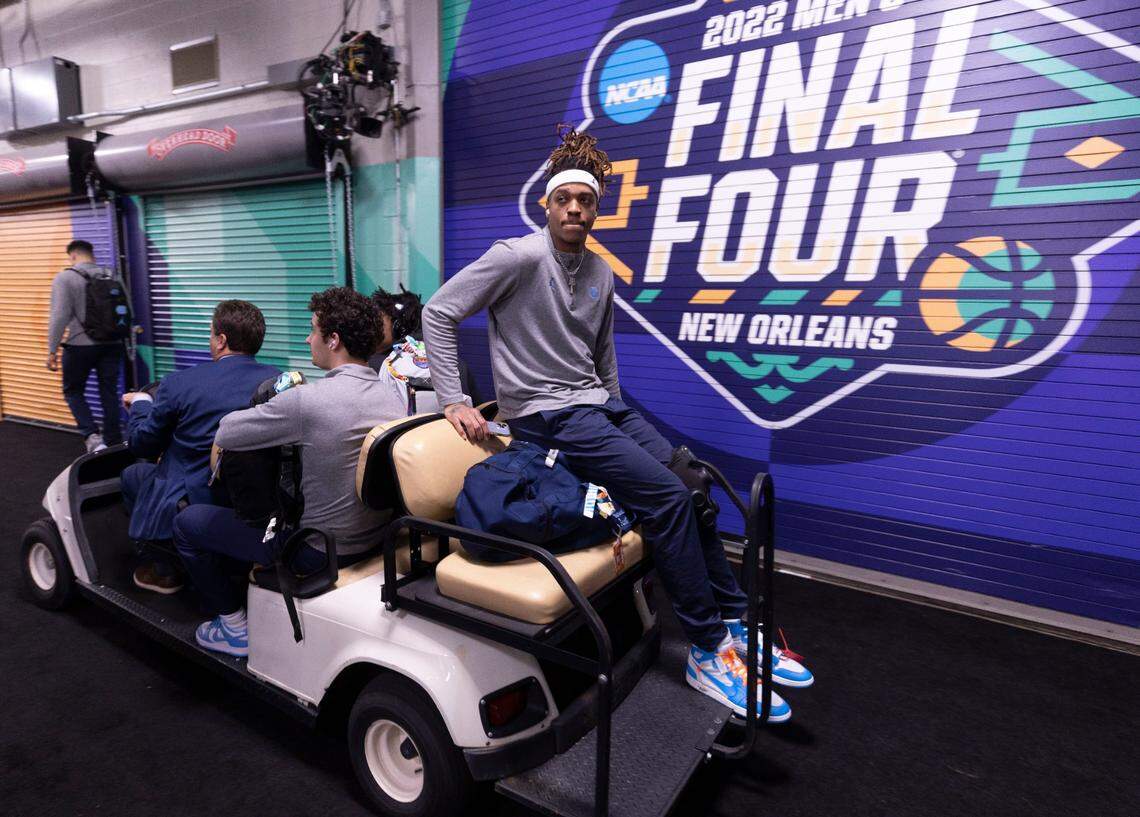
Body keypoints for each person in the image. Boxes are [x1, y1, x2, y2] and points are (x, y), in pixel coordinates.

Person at [421, 125, 813, 723]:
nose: (576, 209)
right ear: (547, 205)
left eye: (587, 202)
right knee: (665, 500)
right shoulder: (517, 257)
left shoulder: (601, 271)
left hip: (600, 405)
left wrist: (618, 410)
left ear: (596, 208)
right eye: (564, 200)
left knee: (694, 483)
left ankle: (736, 626)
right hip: (545, 415)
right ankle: (707, 650)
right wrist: (453, 398)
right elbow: (439, 312)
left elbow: (603, 354)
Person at [174, 286, 406, 657]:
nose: (307, 338)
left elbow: (229, 430)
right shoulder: (389, 395)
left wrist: (270, 407)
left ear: (333, 340)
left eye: (312, 330)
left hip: (314, 550)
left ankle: (233, 627)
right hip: (374, 536)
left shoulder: (306, 402)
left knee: (189, 523)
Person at [119, 300, 280, 594]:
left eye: (210, 334)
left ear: (221, 341)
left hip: (200, 493)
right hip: (257, 495)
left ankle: (164, 568)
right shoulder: (278, 379)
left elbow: (142, 443)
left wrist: (141, 405)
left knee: (133, 474)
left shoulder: (180, 383)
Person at [46, 239, 126, 452]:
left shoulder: (65, 277)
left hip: (80, 345)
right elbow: (128, 311)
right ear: (92, 254)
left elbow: (59, 315)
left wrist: (52, 349)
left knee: (73, 390)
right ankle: (114, 439)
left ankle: (92, 437)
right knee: (108, 391)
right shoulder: (112, 275)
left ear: (72, 256)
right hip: (113, 343)